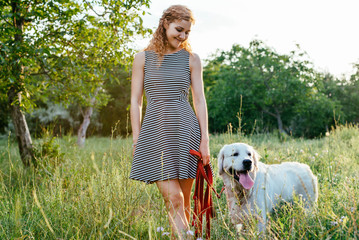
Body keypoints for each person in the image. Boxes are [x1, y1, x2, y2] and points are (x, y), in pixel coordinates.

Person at [129, 5, 210, 239]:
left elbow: (200, 100)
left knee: (183, 204)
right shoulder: (142, 58)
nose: (182, 36)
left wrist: (205, 139)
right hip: (154, 135)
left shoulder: (192, 60)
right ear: (165, 23)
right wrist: (136, 138)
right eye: (178, 29)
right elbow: (135, 102)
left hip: (187, 134)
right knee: (174, 198)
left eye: (187, 32)